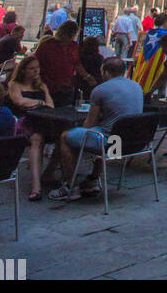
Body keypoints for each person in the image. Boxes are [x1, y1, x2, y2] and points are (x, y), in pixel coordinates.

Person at [49, 58, 144, 202]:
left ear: (105, 72)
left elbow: (89, 124)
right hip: (133, 142)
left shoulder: (100, 90)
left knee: (65, 136)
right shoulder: (137, 86)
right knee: (103, 129)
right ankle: (93, 179)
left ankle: (71, 186)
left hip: (112, 143)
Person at [6, 56, 55, 199]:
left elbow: (51, 105)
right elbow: (19, 102)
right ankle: (36, 187)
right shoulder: (14, 84)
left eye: (37, 68)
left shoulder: (41, 85)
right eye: (32, 68)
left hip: (43, 120)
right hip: (24, 122)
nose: (36, 71)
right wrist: (40, 102)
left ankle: (48, 173)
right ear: (23, 70)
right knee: (37, 138)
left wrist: (34, 102)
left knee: (64, 136)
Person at [33, 21, 94, 106]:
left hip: (66, 87)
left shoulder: (74, 47)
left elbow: (77, 64)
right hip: (47, 86)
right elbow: (35, 63)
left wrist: (87, 77)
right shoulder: (47, 45)